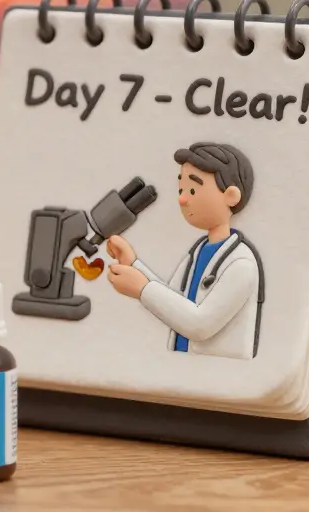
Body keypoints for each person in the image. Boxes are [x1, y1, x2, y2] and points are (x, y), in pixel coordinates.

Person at [106, 142, 264, 360]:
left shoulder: (241, 264)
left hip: (217, 377)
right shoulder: (197, 253)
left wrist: (142, 289)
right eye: (181, 189)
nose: (182, 198)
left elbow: (200, 325)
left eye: (193, 189)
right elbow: (171, 298)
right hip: (181, 367)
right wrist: (132, 263)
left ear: (231, 196)